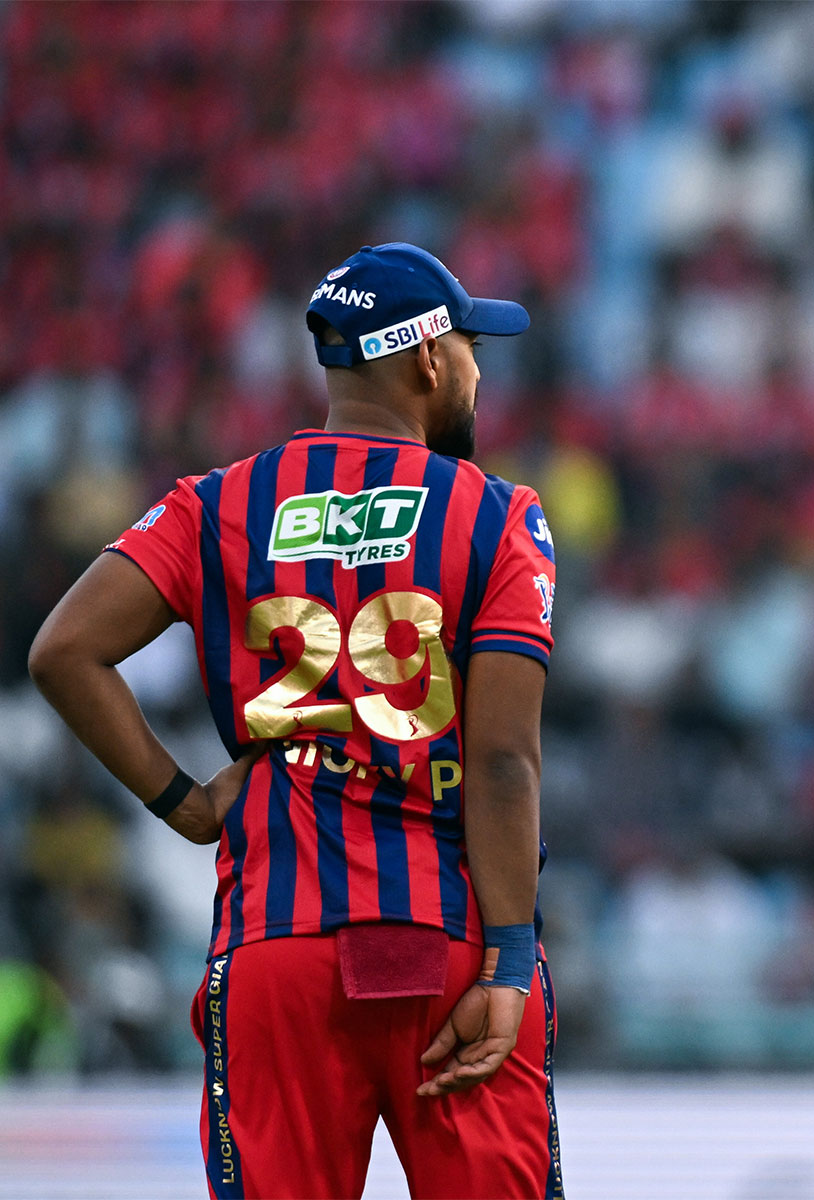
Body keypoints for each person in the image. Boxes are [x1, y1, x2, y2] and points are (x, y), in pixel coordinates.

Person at [29, 242, 564, 1199]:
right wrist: (511, 959)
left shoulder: (217, 503)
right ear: (431, 358)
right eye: (475, 346)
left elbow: (63, 651)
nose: (482, 371)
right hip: (450, 948)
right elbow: (502, 765)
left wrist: (186, 804)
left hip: (275, 942)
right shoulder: (497, 516)